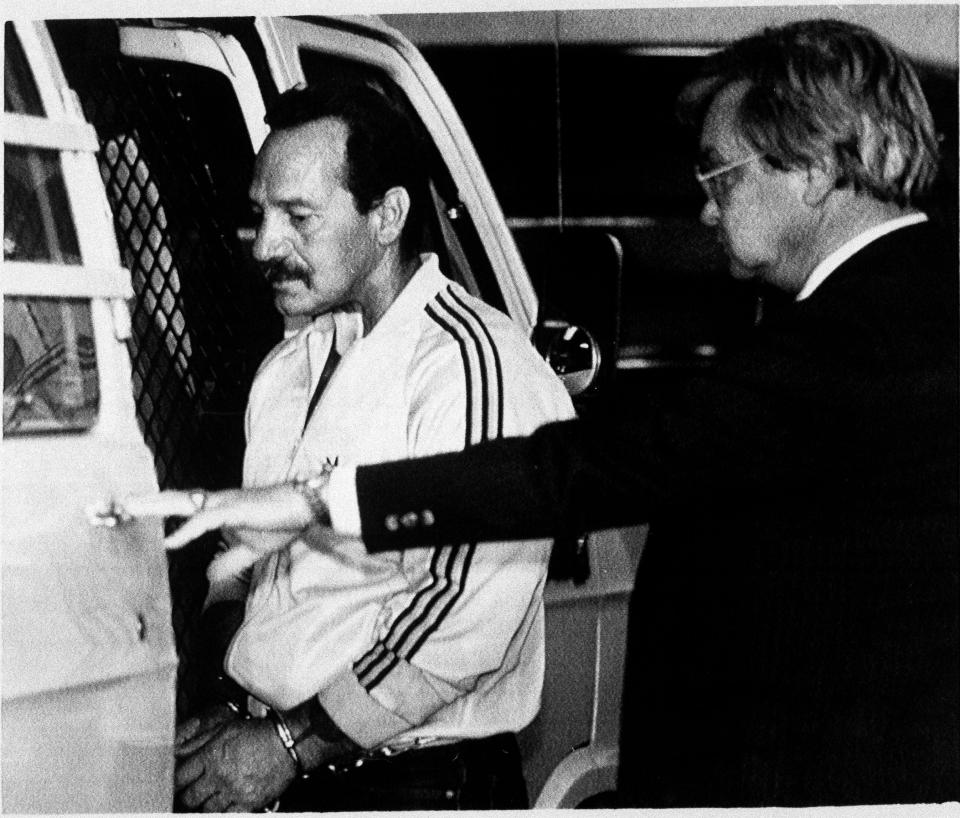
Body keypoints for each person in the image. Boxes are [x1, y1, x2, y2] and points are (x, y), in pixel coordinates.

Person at [120, 19, 959, 807]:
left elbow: (578, 472)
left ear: (811, 168)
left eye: (719, 174)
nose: (705, 208)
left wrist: (316, 505)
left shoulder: (860, 334)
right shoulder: (897, 310)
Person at [159, 80, 575, 812]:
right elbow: (246, 562)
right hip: (294, 767)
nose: (266, 245)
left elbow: (463, 612)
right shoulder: (288, 370)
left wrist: (290, 742)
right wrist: (235, 695)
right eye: (260, 215)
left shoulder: (473, 367)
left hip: (411, 788)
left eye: (299, 217)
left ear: (387, 216)